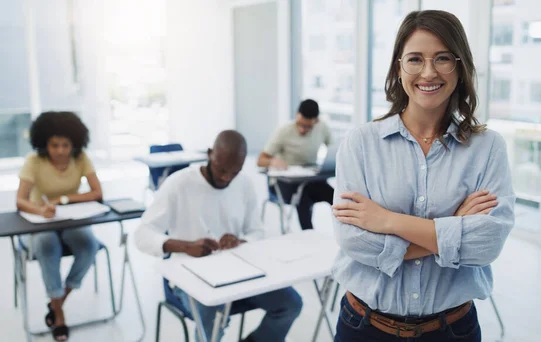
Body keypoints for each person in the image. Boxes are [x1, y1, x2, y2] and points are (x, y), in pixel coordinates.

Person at [330, 10, 515, 342]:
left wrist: (386, 220)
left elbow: (486, 243)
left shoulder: (488, 147)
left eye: (443, 58)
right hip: (364, 328)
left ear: (460, 67)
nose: (428, 72)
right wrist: (452, 227)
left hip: (452, 331)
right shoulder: (360, 143)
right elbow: (354, 241)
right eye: (415, 59)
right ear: (399, 67)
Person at [135, 130, 303, 342]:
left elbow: (257, 231)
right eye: (221, 169)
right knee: (212, 313)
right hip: (188, 275)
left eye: (234, 172)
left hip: (238, 270)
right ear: (209, 154)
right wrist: (185, 246)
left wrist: (242, 241)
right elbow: (142, 235)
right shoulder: (179, 183)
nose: (226, 178)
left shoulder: (244, 184)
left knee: (290, 304)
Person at [16, 111, 103, 342]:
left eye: (66, 145)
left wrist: (63, 200)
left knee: (89, 246)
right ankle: (60, 315)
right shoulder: (34, 161)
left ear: (74, 143)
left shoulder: (81, 157)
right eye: (55, 145)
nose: (61, 151)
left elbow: (97, 193)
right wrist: (41, 209)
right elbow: (20, 200)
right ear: (45, 143)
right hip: (41, 221)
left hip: (70, 220)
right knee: (46, 245)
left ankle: (57, 301)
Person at [257, 99, 334, 230]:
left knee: (334, 195)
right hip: (284, 185)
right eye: (300, 124)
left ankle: (346, 235)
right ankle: (309, 235)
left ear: (316, 121)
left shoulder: (323, 128)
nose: (303, 130)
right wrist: (272, 161)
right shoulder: (283, 131)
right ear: (297, 116)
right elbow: (260, 160)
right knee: (303, 196)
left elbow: (333, 150)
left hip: (310, 180)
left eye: (308, 127)